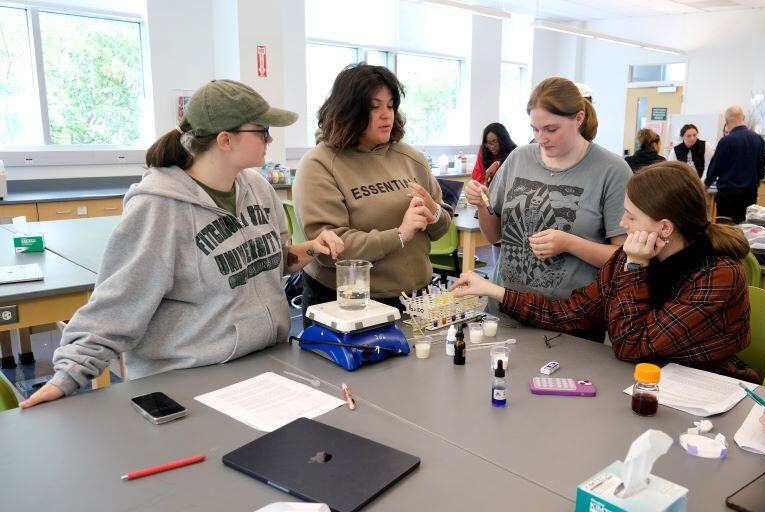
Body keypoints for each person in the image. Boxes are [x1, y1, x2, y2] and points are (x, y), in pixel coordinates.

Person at [19, 80, 344, 409]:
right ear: (225, 140)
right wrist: (67, 377)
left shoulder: (258, 188)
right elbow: (117, 303)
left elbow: (269, 263)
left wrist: (313, 247)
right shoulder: (159, 207)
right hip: (189, 380)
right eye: (262, 130)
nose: (270, 139)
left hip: (264, 366)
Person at [453, 161, 757, 381]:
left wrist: (635, 266)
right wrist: (493, 289)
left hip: (706, 390)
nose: (622, 225)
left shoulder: (718, 275)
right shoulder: (631, 257)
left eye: (631, 217)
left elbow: (630, 344)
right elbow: (571, 312)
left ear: (664, 227)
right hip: (641, 384)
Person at [464, 77, 632, 343]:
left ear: (578, 119)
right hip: (507, 307)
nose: (541, 138)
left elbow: (624, 258)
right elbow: (495, 236)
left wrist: (569, 243)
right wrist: (481, 203)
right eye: (535, 128)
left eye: (551, 129)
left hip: (570, 320)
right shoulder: (519, 158)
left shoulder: (611, 171)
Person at [294, 63, 452, 325]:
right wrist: (399, 235)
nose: (386, 115)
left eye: (390, 106)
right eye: (374, 106)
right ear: (348, 110)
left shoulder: (411, 157)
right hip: (347, 305)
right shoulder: (319, 164)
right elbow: (329, 249)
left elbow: (440, 226)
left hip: (413, 298)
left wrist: (434, 213)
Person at [705, 106, 765, 224]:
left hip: (728, 196)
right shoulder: (759, 139)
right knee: (746, 228)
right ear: (743, 118)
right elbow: (762, 169)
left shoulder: (726, 141)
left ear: (727, 121)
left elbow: (714, 169)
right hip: (750, 194)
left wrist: (704, 186)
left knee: (727, 231)